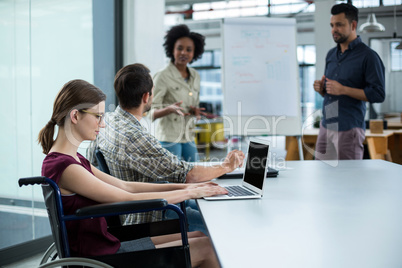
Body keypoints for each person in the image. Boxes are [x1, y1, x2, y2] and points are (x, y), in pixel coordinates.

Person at [38, 79, 225, 267]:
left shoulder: (73, 159)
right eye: (97, 117)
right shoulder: (66, 167)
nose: (102, 125)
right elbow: (125, 197)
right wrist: (191, 193)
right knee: (206, 248)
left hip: (108, 244)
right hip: (100, 256)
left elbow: (125, 186)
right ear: (75, 116)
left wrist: (187, 186)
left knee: (200, 237)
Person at [87, 63, 245, 231]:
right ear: (146, 97)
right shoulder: (135, 137)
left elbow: (92, 160)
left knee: (207, 202)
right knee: (221, 222)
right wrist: (227, 166)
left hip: (144, 202)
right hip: (151, 214)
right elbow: (188, 175)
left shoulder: (107, 122)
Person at [313, 3, 385, 160]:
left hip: (349, 128)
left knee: (349, 181)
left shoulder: (368, 56)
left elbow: (378, 94)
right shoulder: (331, 55)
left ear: (353, 25)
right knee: (320, 178)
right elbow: (330, 92)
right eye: (332, 25)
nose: (334, 29)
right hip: (326, 126)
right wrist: (321, 89)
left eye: (339, 25)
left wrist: (343, 89)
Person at [150, 24, 207, 162]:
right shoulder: (162, 76)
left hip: (188, 135)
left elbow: (193, 103)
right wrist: (169, 109)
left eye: (189, 50)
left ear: (195, 53)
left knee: (195, 173)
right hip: (169, 137)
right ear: (172, 49)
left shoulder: (195, 75)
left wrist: (195, 111)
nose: (184, 53)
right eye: (179, 48)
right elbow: (150, 113)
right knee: (173, 178)